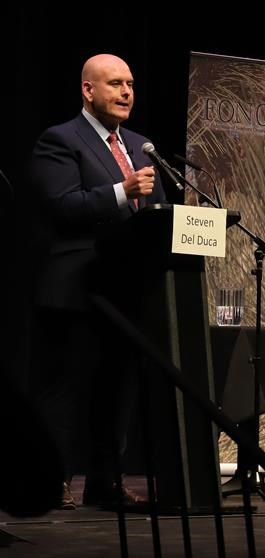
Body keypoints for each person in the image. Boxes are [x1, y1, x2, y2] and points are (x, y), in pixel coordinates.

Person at [28, 54, 165, 510]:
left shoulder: (142, 147)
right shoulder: (60, 140)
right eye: (115, 84)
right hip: (75, 288)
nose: (127, 92)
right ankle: (50, 481)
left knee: (117, 392)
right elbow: (62, 205)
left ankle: (106, 483)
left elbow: (156, 216)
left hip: (126, 291)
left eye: (130, 83)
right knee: (66, 391)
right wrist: (121, 192)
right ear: (89, 90)